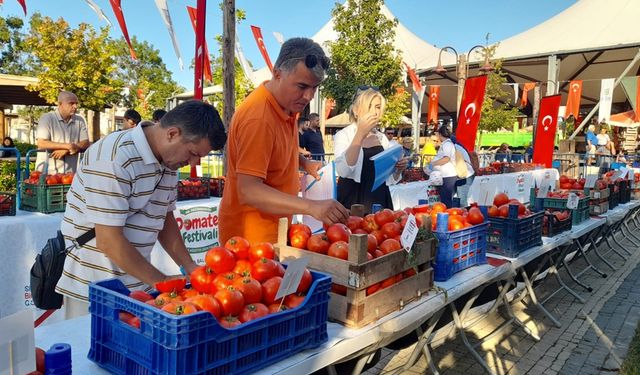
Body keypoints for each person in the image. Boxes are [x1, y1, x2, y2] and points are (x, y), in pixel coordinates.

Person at [55, 100, 227, 318]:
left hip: (138, 282)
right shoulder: (115, 157)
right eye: (193, 154)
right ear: (172, 133)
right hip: (95, 286)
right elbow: (108, 241)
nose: (193, 163)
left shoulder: (169, 162)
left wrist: (189, 266)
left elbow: (165, 219)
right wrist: (163, 282)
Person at [219, 37, 349, 245]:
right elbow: (248, 190)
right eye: (301, 86)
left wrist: (304, 163)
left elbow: (275, 151)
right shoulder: (259, 118)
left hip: (273, 232)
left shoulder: (286, 106)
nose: (308, 96)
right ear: (277, 74)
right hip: (250, 242)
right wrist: (311, 207)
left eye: (314, 88)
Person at [334, 87, 408, 211]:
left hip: (378, 197)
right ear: (356, 111)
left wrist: (398, 169)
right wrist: (360, 135)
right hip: (353, 198)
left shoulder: (381, 138)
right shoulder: (344, 135)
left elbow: (389, 178)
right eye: (369, 106)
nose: (375, 112)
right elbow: (343, 171)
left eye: (378, 107)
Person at [36, 91, 90, 174]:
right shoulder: (47, 118)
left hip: (70, 175)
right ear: (60, 104)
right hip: (48, 174)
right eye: (71, 103)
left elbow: (85, 143)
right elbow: (41, 143)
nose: (75, 106)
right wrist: (68, 146)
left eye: (76, 103)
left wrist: (67, 150)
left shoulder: (80, 120)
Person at [425, 125, 458, 208]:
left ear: (440, 134)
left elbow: (446, 159)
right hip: (445, 175)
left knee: (445, 200)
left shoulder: (447, 145)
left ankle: (447, 216)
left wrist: (433, 164)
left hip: (447, 176)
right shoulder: (446, 144)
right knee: (444, 199)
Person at [452, 139, 476, 207]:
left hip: (465, 175)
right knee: (459, 199)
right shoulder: (457, 146)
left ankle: (464, 215)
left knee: (462, 200)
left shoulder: (453, 147)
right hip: (463, 175)